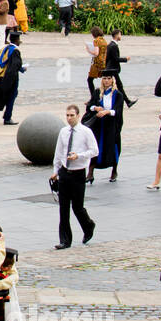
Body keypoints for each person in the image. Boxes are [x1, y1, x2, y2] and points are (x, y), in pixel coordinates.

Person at [51, 104, 97, 249]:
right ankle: (65, 240)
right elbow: (59, 152)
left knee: (77, 207)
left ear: (78, 116)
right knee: (63, 208)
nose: (69, 118)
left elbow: (94, 150)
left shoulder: (86, 132)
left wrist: (79, 156)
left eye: (72, 115)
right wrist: (56, 171)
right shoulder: (63, 132)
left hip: (78, 172)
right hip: (65, 172)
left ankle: (88, 225)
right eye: (67, 115)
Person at [84, 75, 123, 185]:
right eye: (104, 78)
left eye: (109, 78)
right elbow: (90, 106)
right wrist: (96, 108)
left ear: (112, 80)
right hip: (98, 125)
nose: (106, 81)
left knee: (112, 146)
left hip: (111, 125)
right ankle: (90, 173)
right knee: (95, 146)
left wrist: (107, 112)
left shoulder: (117, 94)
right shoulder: (97, 92)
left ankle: (114, 170)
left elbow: (118, 110)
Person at [102, 28, 137, 107]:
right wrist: (125, 59)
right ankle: (127, 102)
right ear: (117, 35)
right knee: (118, 86)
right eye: (120, 34)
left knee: (117, 86)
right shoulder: (113, 46)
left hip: (111, 69)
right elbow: (116, 58)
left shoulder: (111, 45)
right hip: (112, 69)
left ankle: (127, 102)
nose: (121, 36)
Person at [85, 26, 108, 97]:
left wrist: (88, 50)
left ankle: (93, 96)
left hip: (97, 63)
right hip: (104, 62)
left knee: (90, 80)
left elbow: (96, 53)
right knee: (104, 79)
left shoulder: (96, 41)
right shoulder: (104, 40)